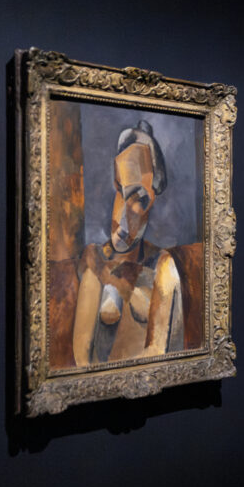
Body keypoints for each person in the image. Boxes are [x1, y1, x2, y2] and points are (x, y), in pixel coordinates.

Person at [71, 120, 184, 366]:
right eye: (120, 191)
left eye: (139, 200)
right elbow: (80, 356)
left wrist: (115, 282)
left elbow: (157, 353)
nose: (122, 219)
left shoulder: (163, 266)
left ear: (152, 202)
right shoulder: (94, 260)